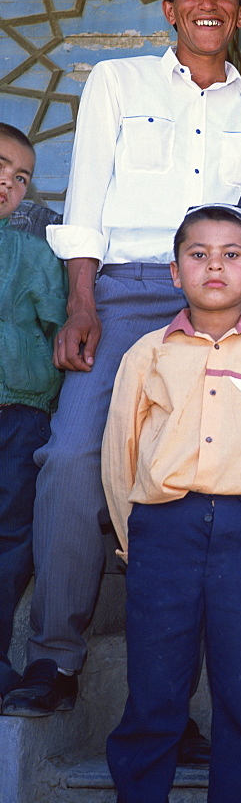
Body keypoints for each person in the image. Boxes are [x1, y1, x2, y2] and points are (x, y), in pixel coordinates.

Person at [1, 0, 241, 753]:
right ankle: (54, 657)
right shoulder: (116, 84)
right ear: (168, 9)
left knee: (203, 486)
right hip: (122, 293)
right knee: (68, 461)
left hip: (222, 304)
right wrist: (80, 301)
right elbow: (87, 191)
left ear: (240, 11)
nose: (208, 4)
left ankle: (178, 704)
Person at [101, 204, 241, 801]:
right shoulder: (147, 354)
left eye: (231, 255)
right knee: (155, 688)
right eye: (198, 254)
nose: (214, 266)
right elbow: (122, 454)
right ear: (175, 272)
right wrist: (133, 536)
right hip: (162, 528)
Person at [0, 124, 67, 699]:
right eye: (0, 166)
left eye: (21, 178)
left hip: (20, 411)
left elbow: (58, 325)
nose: (8, 183)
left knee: (10, 535)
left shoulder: (31, 251)